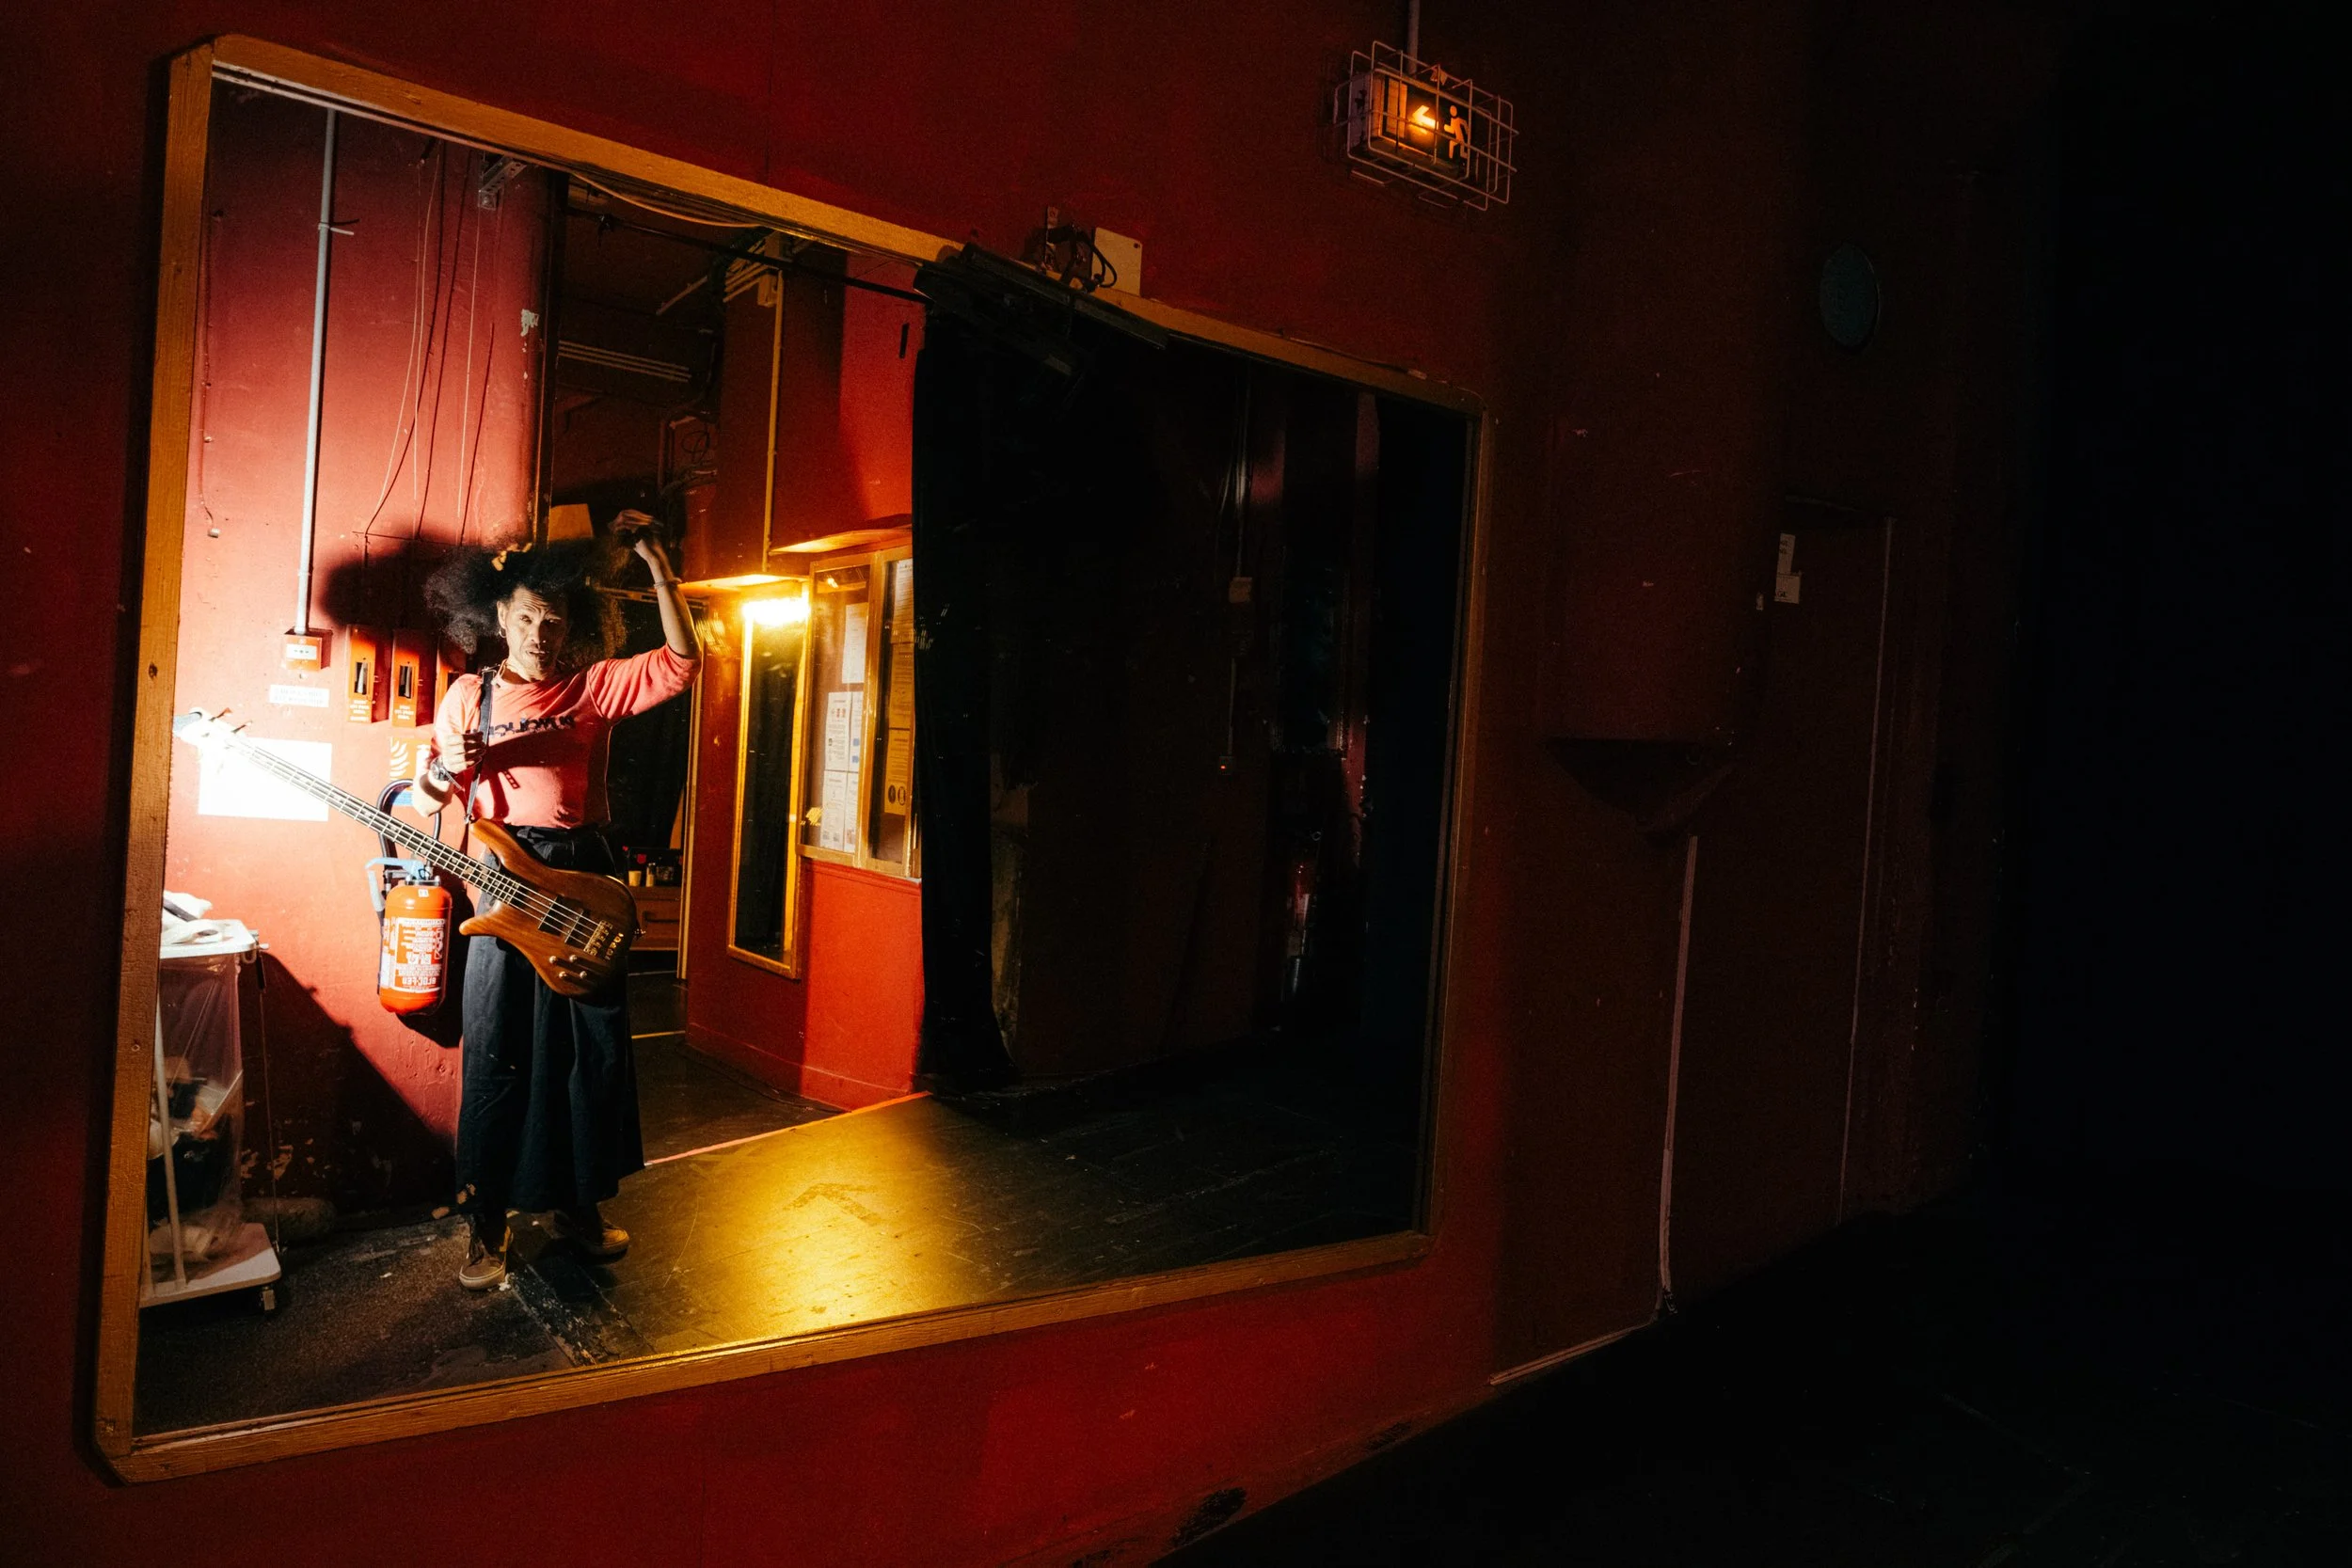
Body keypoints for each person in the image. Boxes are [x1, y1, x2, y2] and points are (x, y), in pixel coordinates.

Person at [416, 515, 699, 1291]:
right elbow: (425, 792)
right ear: (499, 617)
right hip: (503, 887)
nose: (543, 630)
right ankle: (486, 1225)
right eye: (529, 614)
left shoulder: (592, 686)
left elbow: (682, 661)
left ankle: (578, 1209)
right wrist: (446, 775)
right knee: (497, 1053)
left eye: (556, 617)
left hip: (580, 877)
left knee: (588, 1060)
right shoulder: (465, 698)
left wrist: (655, 562)